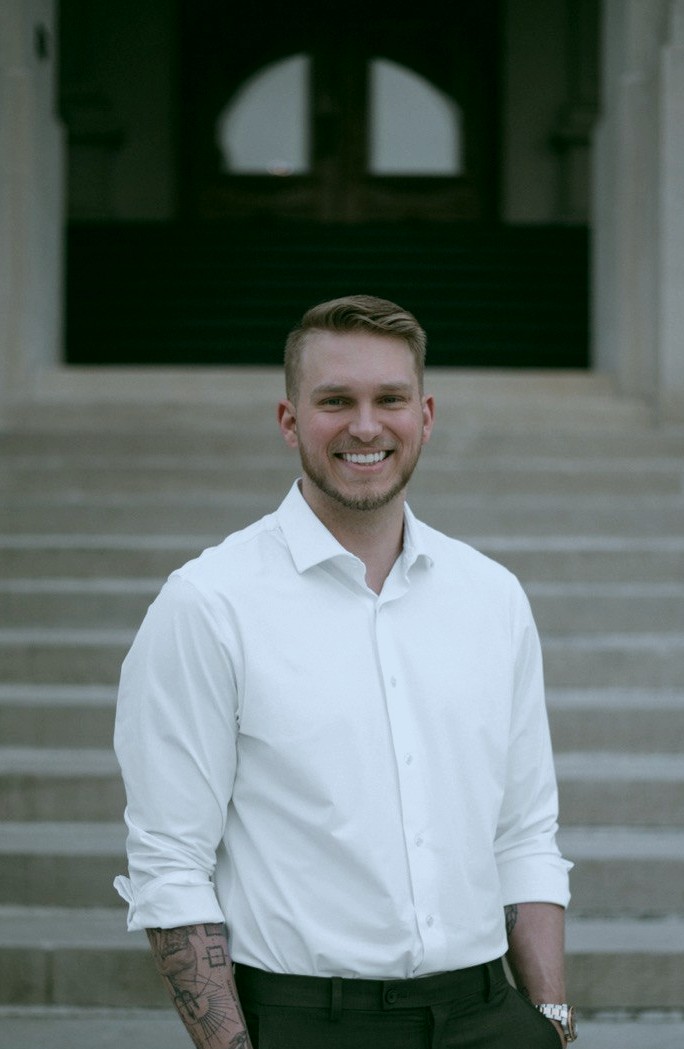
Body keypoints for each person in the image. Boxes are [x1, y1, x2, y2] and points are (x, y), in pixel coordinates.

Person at [114, 294, 575, 1049]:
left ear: (425, 415)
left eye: (389, 399)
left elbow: (525, 835)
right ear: (289, 420)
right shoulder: (208, 604)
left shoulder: (492, 597)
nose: (365, 426)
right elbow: (170, 863)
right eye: (335, 401)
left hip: (490, 1015)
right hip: (307, 1021)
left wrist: (552, 1023)